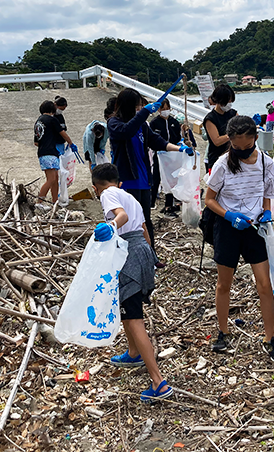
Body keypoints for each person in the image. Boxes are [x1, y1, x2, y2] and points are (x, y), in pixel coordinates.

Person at [204, 116, 274, 363]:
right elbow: (209, 199)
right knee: (224, 284)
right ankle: (223, 330)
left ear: (255, 138)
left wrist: (267, 212)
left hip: (255, 228)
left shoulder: (266, 162)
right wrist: (229, 215)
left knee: (264, 284)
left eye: (247, 146)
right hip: (228, 227)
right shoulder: (222, 164)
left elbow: (267, 193)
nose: (242, 151)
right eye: (236, 147)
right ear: (230, 141)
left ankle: (270, 337)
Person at [91, 164, 172, 403]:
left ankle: (158, 382)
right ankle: (133, 352)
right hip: (143, 251)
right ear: (119, 182)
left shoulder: (107, 194)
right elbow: (144, 229)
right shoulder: (130, 197)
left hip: (129, 256)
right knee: (126, 308)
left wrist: (110, 226)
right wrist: (151, 258)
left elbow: (122, 217)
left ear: (95, 188)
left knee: (135, 318)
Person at [107, 88, 194, 243]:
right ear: (128, 106)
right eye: (137, 106)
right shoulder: (114, 123)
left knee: (145, 219)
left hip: (144, 180)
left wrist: (179, 148)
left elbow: (157, 141)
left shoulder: (142, 125)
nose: (139, 109)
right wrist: (144, 112)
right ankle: (132, 250)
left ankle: (150, 252)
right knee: (131, 219)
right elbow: (126, 132)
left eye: (141, 106)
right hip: (127, 180)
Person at [149, 98, 196, 214]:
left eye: (167, 108)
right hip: (160, 155)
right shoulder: (154, 123)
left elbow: (178, 138)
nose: (165, 111)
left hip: (173, 155)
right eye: (163, 109)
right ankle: (151, 202)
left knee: (173, 178)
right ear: (159, 110)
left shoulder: (174, 122)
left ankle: (170, 203)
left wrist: (184, 137)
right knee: (157, 177)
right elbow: (151, 139)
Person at [34, 100, 78, 207]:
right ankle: (39, 202)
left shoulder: (38, 122)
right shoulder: (52, 120)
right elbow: (62, 133)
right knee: (51, 179)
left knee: (55, 178)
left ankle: (55, 202)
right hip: (50, 153)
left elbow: (36, 142)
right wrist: (71, 143)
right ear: (52, 110)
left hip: (42, 153)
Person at [203, 84, 237, 171]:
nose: (229, 104)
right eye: (228, 101)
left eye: (231, 101)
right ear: (220, 101)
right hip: (216, 159)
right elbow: (217, 141)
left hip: (233, 158)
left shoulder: (233, 113)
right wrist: (233, 134)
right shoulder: (210, 119)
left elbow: (241, 125)